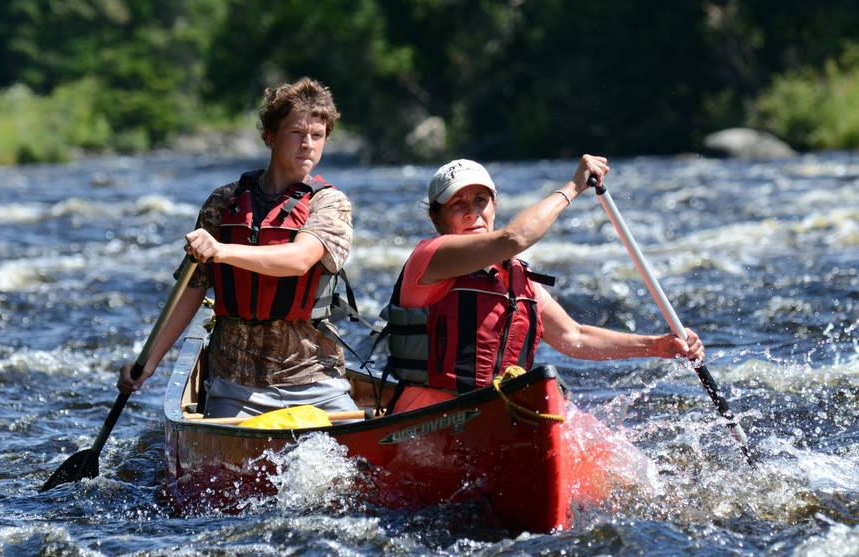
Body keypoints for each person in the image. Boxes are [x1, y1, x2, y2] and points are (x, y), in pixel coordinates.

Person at [118, 77, 358, 418]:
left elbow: (300, 259)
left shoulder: (330, 204)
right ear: (270, 136)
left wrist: (221, 251)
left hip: (314, 379)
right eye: (296, 133)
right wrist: (148, 363)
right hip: (236, 383)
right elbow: (192, 289)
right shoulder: (223, 203)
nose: (308, 144)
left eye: (316, 136)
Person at [383, 156, 704, 411]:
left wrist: (659, 346)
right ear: (437, 220)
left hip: (497, 410)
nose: (472, 213)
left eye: (480, 200)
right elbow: (515, 238)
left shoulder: (515, 279)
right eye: (457, 204)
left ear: (494, 206)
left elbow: (573, 337)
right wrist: (574, 187)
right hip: (429, 416)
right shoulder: (430, 257)